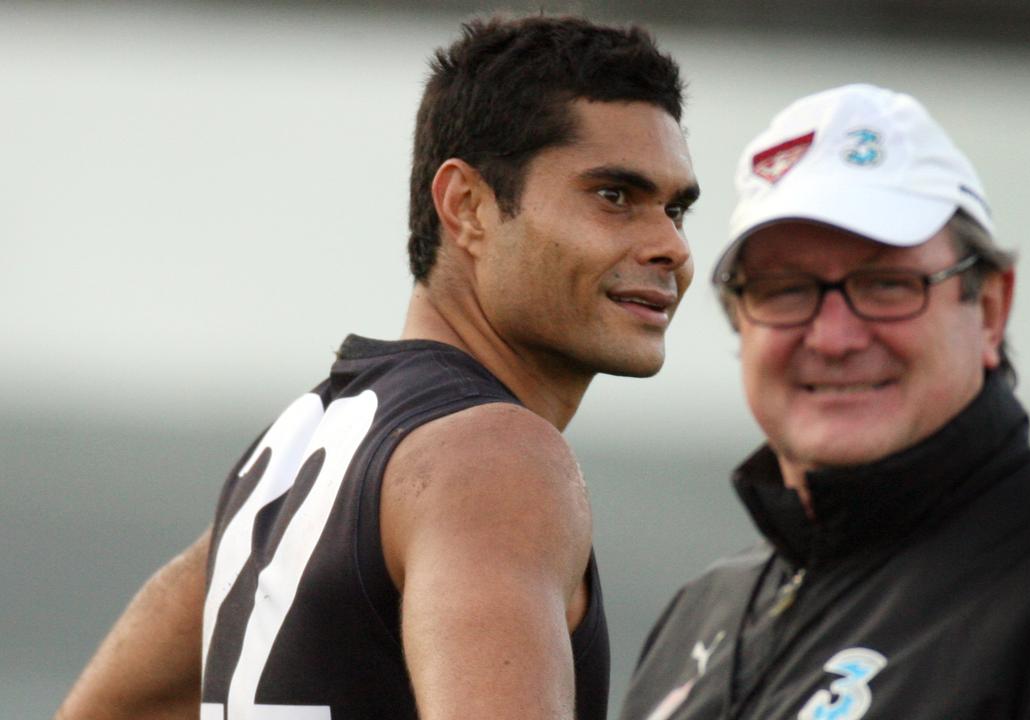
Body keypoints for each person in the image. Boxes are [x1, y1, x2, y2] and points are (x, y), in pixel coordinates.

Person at [57, 14, 698, 720]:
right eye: (615, 197)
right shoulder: (495, 458)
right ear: (469, 207)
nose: (671, 246)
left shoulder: (292, 457)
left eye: (676, 210)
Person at [620, 84, 1030, 720]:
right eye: (786, 289)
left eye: (888, 284)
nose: (835, 337)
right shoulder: (703, 613)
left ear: (990, 309)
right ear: (740, 320)